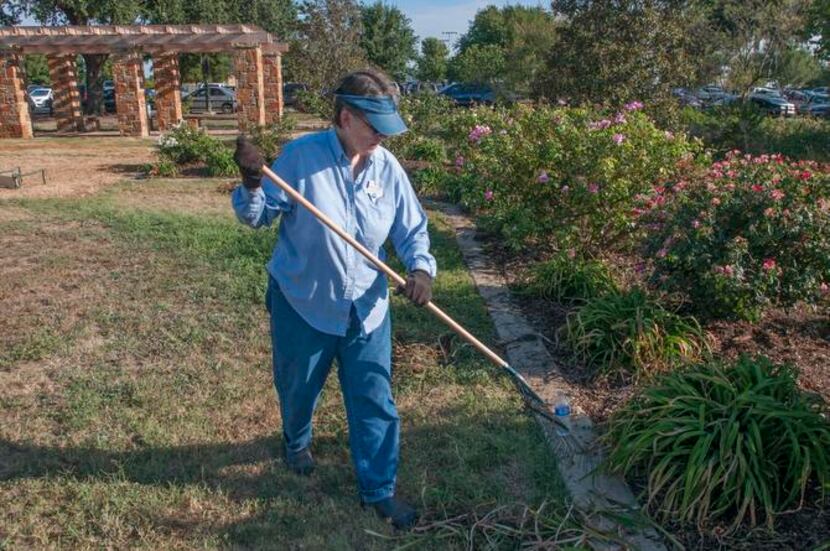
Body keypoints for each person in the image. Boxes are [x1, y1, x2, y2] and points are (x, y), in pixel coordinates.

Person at [231, 68, 436, 529]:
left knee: (374, 397)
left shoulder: (387, 167)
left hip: (366, 308)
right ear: (345, 117)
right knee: (298, 387)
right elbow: (259, 217)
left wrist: (420, 268)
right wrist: (251, 183)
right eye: (374, 125)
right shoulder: (302, 158)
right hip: (303, 300)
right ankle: (296, 439)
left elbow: (412, 229)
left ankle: (379, 488)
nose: (383, 135)